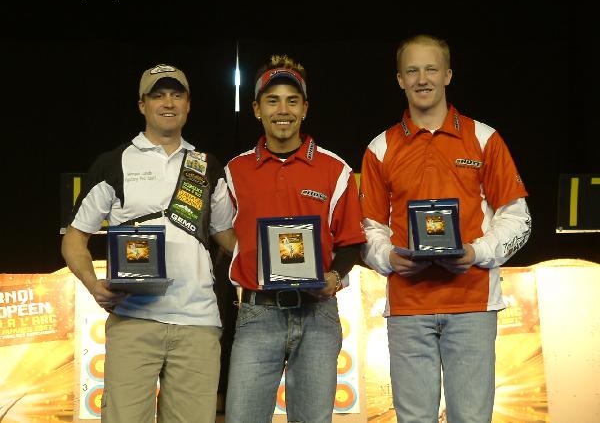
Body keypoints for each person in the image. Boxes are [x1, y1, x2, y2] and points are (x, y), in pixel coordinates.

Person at [359, 34, 532, 423]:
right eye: (412, 70)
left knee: (470, 418)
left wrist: (475, 253)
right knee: (414, 419)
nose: (423, 79)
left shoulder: (484, 138)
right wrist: (388, 258)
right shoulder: (379, 148)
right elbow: (369, 228)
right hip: (408, 308)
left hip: (472, 304)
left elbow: (518, 218)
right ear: (400, 79)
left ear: (448, 75)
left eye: (431, 69)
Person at [61, 63, 236, 423]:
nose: (168, 103)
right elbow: (75, 238)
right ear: (142, 105)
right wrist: (94, 285)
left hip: (197, 324)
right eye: (158, 95)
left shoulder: (207, 166)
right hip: (134, 322)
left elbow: (225, 235)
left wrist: (275, 258)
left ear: (189, 104)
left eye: (176, 94)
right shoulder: (113, 163)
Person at [223, 54, 366, 423]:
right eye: (272, 101)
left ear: (305, 108)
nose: (282, 110)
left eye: (291, 100)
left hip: (317, 315)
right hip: (258, 313)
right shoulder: (235, 170)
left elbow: (351, 240)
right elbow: (220, 228)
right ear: (256, 109)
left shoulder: (336, 169)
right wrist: (250, 258)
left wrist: (333, 278)